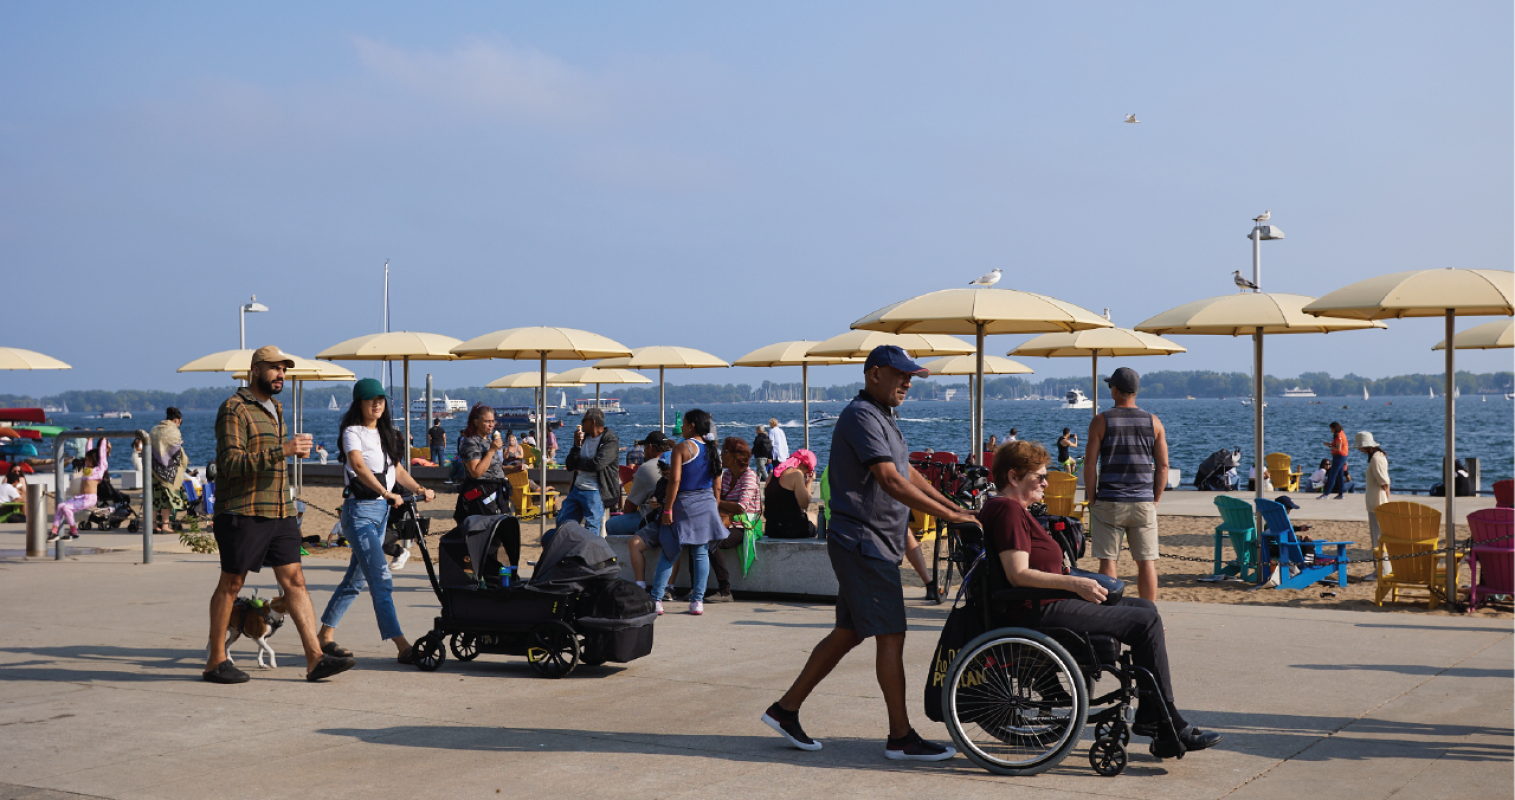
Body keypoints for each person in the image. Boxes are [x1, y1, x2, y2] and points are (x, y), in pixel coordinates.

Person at [762, 345, 975, 761]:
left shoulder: (884, 418)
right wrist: (951, 518)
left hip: (874, 542)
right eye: (901, 375)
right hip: (864, 542)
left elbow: (908, 471)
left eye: (911, 376)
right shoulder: (861, 416)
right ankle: (900, 737)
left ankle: (785, 711)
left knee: (849, 632)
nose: (908, 383)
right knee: (891, 633)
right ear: (874, 374)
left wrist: (953, 508)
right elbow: (891, 482)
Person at [981, 439, 1222, 757]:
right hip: (1035, 608)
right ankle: (1167, 723)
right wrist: (1074, 585)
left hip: (1044, 602)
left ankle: (1155, 715)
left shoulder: (1013, 510)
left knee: (1145, 607)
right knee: (1144, 620)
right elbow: (1018, 574)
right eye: (1039, 476)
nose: (1046, 481)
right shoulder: (1009, 510)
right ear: (1013, 477)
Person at [203, 345, 353, 685]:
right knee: (232, 583)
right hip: (243, 509)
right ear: (255, 370)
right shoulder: (234, 408)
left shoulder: (277, 408)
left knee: (296, 580)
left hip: (280, 509)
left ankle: (315, 658)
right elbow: (230, 463)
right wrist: (282, 450)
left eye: (284, 369)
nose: (280, 374)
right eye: (274, 368)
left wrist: (288, 454)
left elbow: (269, 458)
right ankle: (215, 660)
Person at [317, 379, 436, 664]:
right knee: (381, 579)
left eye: (380, 399)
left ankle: (324, 636)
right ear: (359, 403)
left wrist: (420, 490)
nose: (377, 404)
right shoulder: (352, 432)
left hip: (381, 514)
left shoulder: (387, 434)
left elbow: (398, 470)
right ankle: (401, 645)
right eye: (371, 399)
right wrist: (386, 492)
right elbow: (358, 466)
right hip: (359, 513)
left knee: (355, 580)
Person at [1084, 367, 1168, 603]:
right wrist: (1156, 500)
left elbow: (1090, 466)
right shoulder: (1154, 422)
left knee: (1109, 561)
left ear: (1115, 390)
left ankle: (1111, 613)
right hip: (1142, 501)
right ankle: (1149, 614)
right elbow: (1162, 467)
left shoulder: (1101, 421)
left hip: (1110, 500)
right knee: (1146, 562)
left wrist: (1093, 499)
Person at [650, 409, 725, 616]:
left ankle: (656, 599)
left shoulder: (682, 448)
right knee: (701, 552)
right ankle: (697, 601)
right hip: (707, 502)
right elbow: (717, 485)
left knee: (670, 551)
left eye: (683, 423)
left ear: (692, 425)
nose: (681, 427)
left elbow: (674, 481)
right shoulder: (712, 449)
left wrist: (667, 509)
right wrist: (714, 507)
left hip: (684, 503)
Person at [709, 436, 761, 602]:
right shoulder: (727, 476)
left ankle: (725, 590)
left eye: (724, 452)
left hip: (745, 525)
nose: (721, 455)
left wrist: (718, 502)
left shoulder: (749, 476)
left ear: (735, 456)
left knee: (712, 542)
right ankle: (695, 588)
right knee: (697, 537)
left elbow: (741, 507)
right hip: (727, 521)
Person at [455, 405, 525, 525]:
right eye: (487, 421)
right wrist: (492, 450)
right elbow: (476, 472)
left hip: (498, 496)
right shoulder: (471, 442)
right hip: (481, 498)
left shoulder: (488, 441)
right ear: (476, 422)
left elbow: (493, 469)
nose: (491, 425)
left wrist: (513, 469)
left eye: (493, 421)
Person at [557, 407, 621, 535]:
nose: (581, 423)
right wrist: (576, 446)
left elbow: (597, 464)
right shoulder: (584, 438)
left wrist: (578, 465)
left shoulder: (610, 440)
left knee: (591, 528)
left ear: (593, 422)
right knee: (563, 523)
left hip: (596, 490)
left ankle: (589, 553)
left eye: (583, 420)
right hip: (577, 488)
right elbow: (570, 465)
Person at [52, 437, 107, 541]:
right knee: (60, 506)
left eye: (88, 459)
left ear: (94, 460)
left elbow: (102, 455)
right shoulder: (87, 469)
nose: (86, 461)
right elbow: (88, 451)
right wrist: (89, 440)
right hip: (80, 497)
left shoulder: (99, 470)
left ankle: (74, 532)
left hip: (89, 499)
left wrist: (103, 440)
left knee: (67, 508)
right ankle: (54, 532)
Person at [1357, 431, 1391, 580]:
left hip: (1377, 503)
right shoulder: (1377, 458)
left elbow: (1384, 482)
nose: (1359, 450)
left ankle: (1381, 571)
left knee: (1378, 538)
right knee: (1378, 538)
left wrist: (1386, 501)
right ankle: (1381, 569)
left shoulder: (1376, 459)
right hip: (1377, 502)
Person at [149, 407, 189, 534]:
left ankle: (153, 526)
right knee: (167, 498)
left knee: (154, 498)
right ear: (177, 420)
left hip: (153, 468)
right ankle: (165, 525)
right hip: (168, 471)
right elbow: (175, 451)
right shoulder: (173, 431)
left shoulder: (154, 429)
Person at [765, 449, 818, 539]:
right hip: (790, 529)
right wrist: (808, 484)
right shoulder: (796, 474)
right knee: (816, 519)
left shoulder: (773, 474)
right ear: (802, 465)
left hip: (771, 528)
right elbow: (804, 504)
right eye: (807, 471)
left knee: (810, 515)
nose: (805, 474)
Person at [1318, 421, 1349, 500]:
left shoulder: (1339, 436)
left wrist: (1328, 445)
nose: (1331, 430)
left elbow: (1338, 448)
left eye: (1331, 429)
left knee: (1332, 475)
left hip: (1339, 457)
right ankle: (1341, 494)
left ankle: (1326, 494)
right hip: (1342, 456)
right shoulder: (1342, 434)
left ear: (1335, 428)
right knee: (1339, 476)